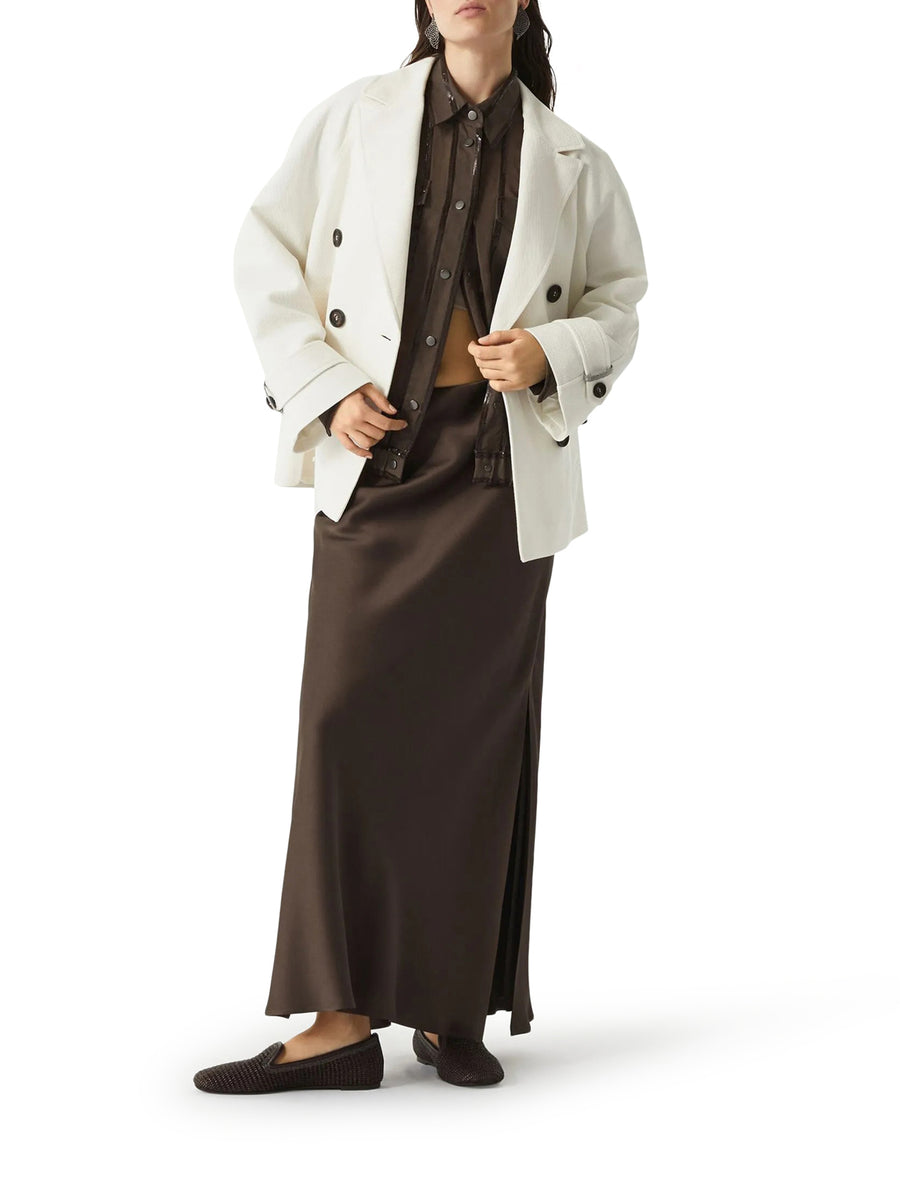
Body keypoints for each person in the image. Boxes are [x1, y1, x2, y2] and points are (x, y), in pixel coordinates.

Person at [193, 0, 647, 1094]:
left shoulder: (575, 160)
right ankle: (340, 1022)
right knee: (341, 725)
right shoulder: (355, 117)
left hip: (498, 480)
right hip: (379, 462)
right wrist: (323, 385)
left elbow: (620, 302)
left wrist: (552, 349)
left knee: (474, 749)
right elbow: (265, 248)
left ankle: (451, 1010)